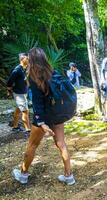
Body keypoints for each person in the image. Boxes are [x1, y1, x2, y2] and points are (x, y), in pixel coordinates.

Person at [12, 47, 76, 185]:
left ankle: (23, 175)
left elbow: (37, 102)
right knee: (61, 143)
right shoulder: (53, 72)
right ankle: (69, 176)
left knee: (32, 144)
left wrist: (41, 123)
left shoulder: (33, 77)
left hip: (44, 116)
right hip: (57, 113)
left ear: (32, 60)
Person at [6, 53, 31, 135]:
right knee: (25, 111)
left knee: (18, 109)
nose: (28, 60)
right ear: (22, 59)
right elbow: (9, 81)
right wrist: (9, 90)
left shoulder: (25, 68)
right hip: (19, 93)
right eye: (27, 58)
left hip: (24, 92)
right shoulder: (17, 70)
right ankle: (28, 130)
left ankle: (15, 127)